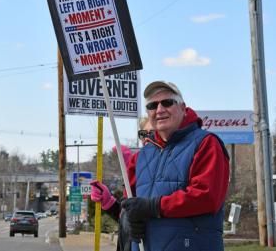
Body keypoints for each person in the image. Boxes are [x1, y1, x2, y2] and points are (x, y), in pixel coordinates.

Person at [92, 81, 230, 251]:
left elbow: (207, 197)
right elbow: (130, 206)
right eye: (152, 105)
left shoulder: (206, 144)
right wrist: (126, 217)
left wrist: (154, 207)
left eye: (167, 102)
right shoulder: (141, 157)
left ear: (182, 107)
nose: (159, 110)